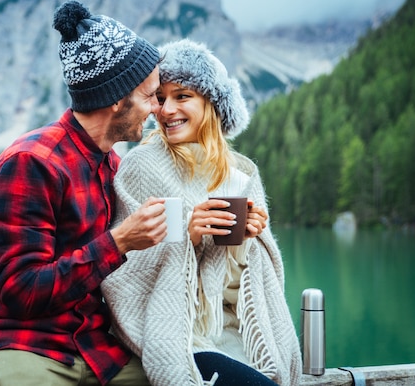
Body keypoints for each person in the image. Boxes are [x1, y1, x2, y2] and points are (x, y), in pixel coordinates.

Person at [0, 0, 170, 386]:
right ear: (118, 99)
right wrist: (119, 242)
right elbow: (23, 292)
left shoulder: (111, 164)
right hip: (17, 343)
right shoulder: (31, 163)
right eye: (151, 95)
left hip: (93, 345)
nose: (157, 108)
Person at [101, 39, 302, 386]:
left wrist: (250, 242)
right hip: (181, 335)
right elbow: (121, 274)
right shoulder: (141, 166)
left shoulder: (241, 173)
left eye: (182, 96)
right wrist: (188, 236)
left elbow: (261, 285)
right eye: (160, 98)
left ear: (211, 102)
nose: (166, 110)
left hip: (242, 337)